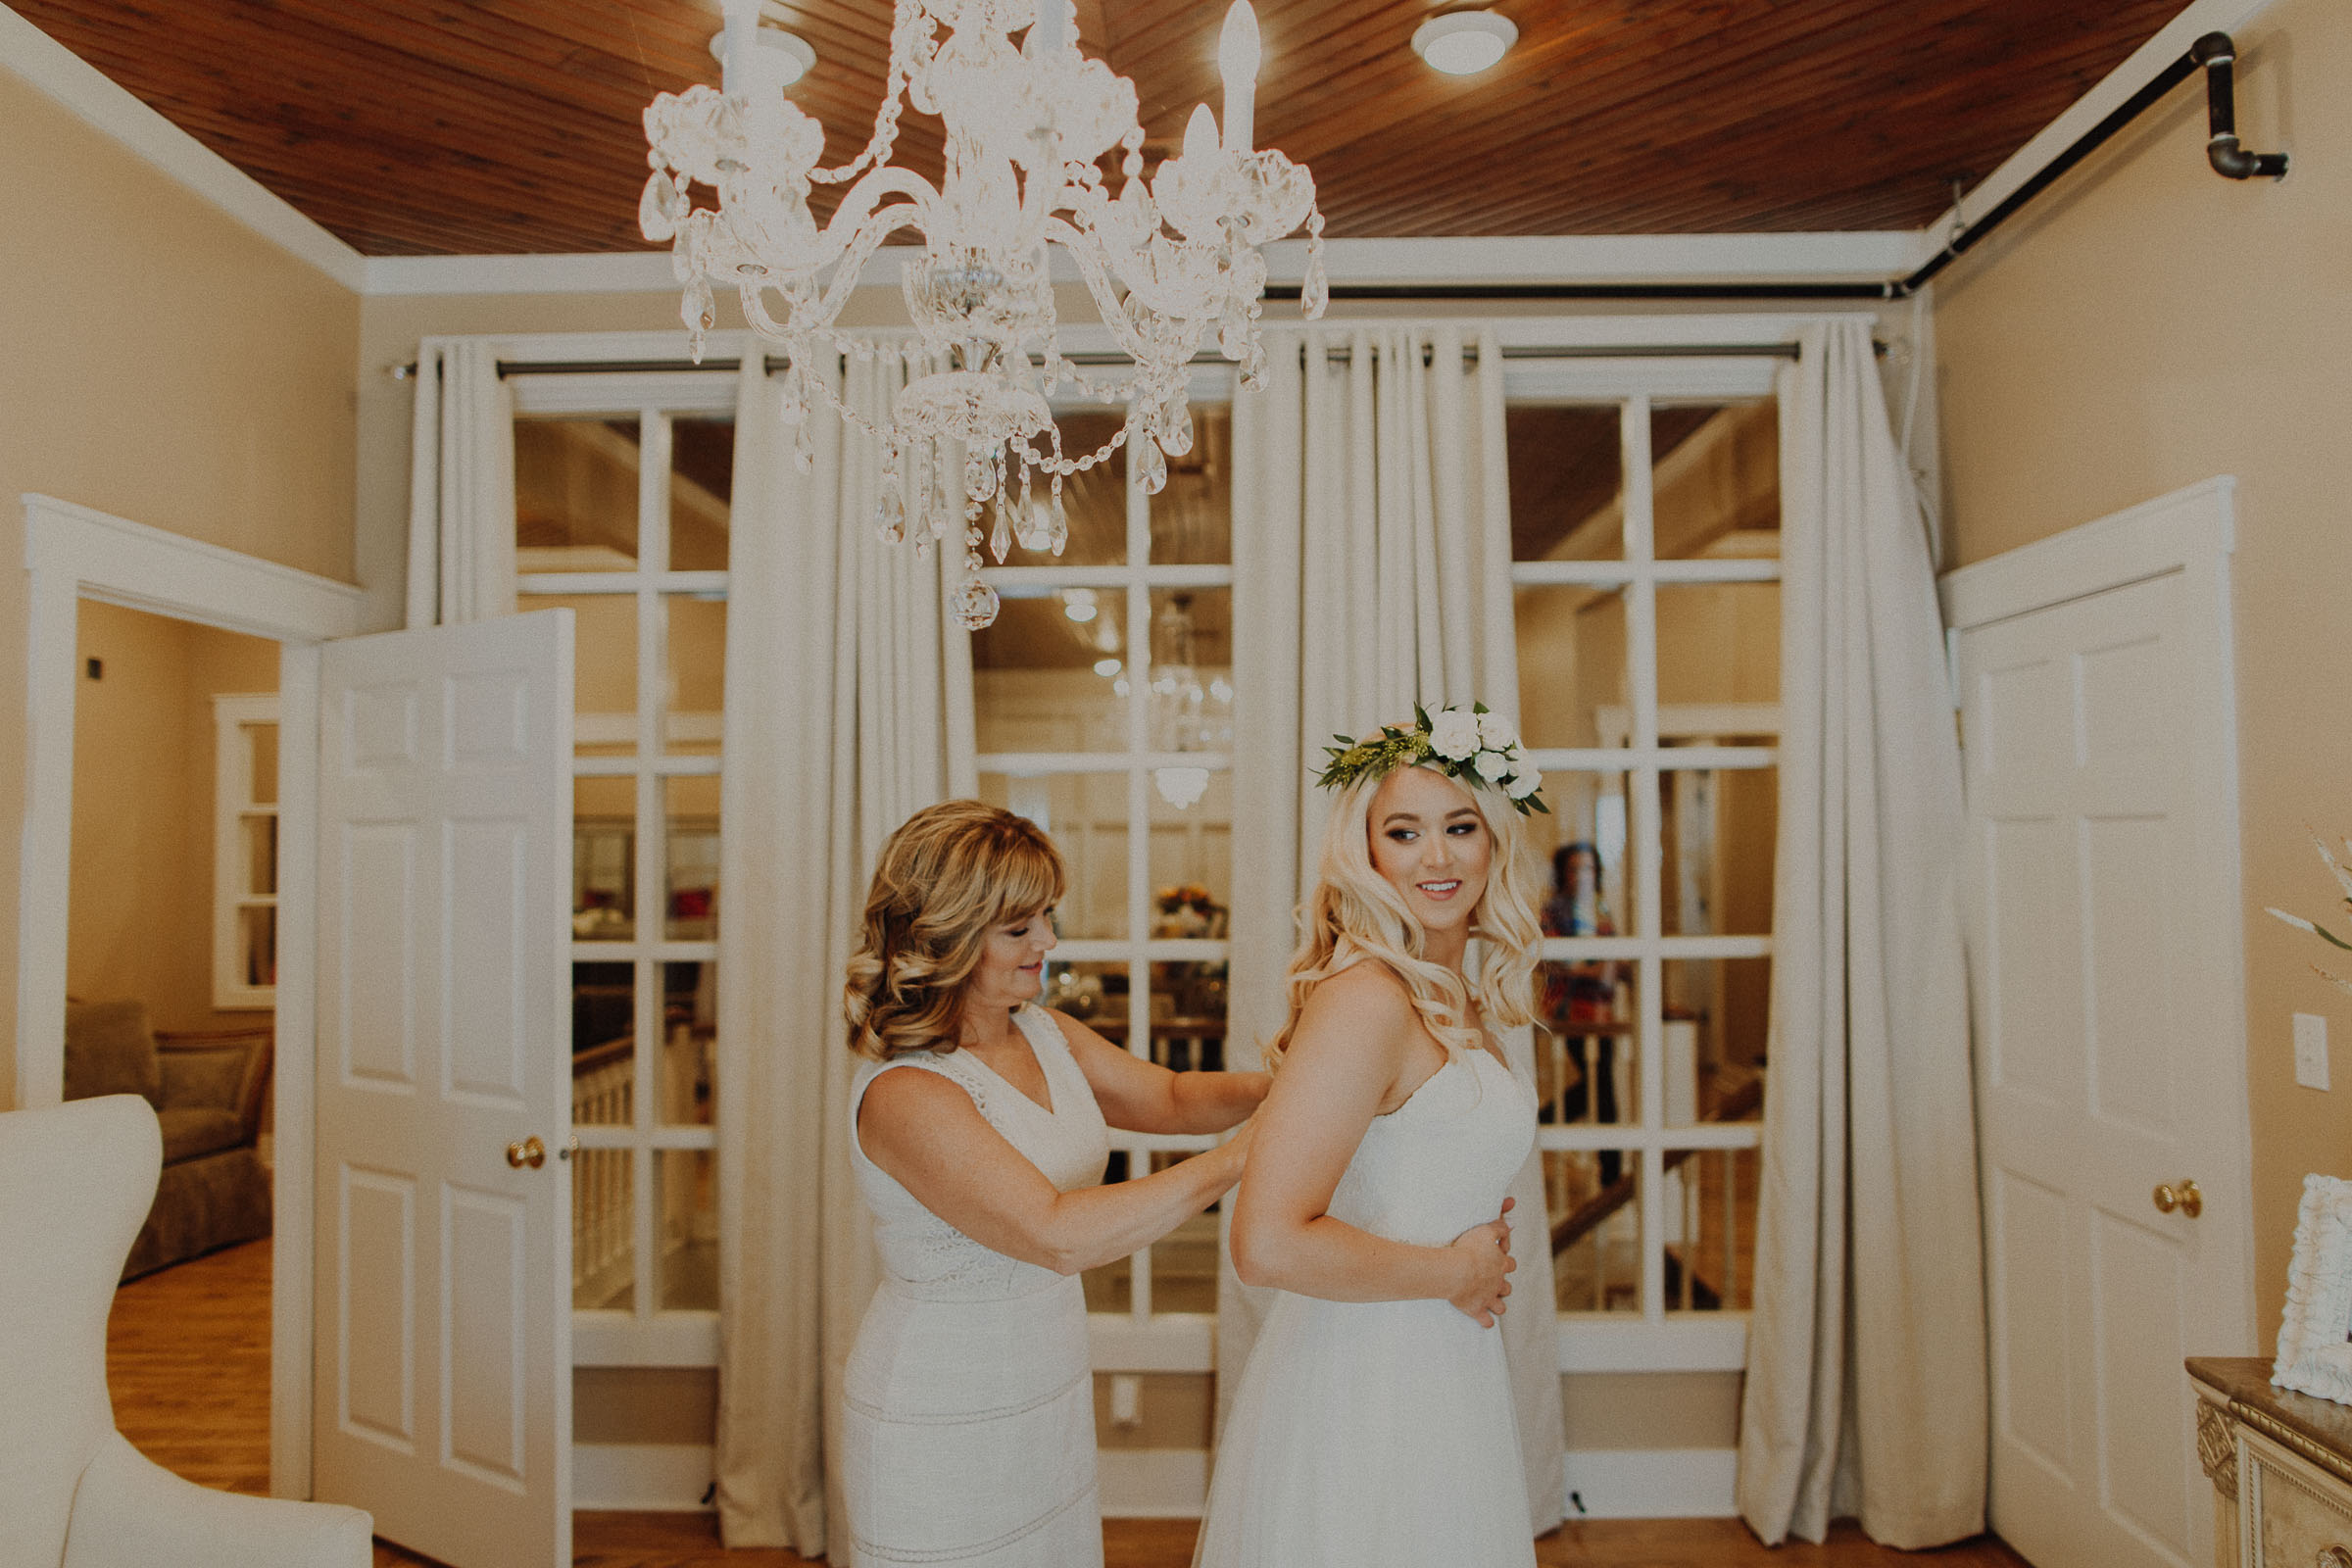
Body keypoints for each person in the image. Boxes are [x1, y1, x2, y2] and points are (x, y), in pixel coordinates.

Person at [840, 800, 1267, 1568]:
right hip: (940, 1405)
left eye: (1046, 917)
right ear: (948, 935)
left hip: (1045, 1380)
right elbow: (1056, 1231)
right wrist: (1240, 1159)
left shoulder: (1041, 1029)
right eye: (1019, 927)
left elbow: (1170, 1097)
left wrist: (1296, 1086)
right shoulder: (907, 1093)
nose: (1050, 941)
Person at [1193, 705, 1546, 1568]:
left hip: (1447, 1363)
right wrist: (1455, 1269)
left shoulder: (1459, 996)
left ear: (1494, 840)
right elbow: (1266, 1243)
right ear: (1369, 853)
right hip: (1365, 1376)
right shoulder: (1367, 999)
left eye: (1460, 827)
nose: (1438, 857)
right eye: (1405, 831)